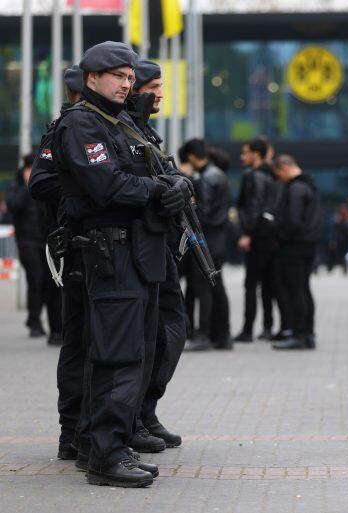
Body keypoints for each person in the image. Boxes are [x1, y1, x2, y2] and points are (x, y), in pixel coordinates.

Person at [52, 41, 189, 486]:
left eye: (130, 78)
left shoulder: (120, 122)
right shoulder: (82, 123)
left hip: (138, 251)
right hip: (110, 252)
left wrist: (174, 185)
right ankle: (106, 455)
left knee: (137, 351)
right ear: (92, 78)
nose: (126, 84)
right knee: (117, 354)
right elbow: (106, 186)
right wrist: (155, 192)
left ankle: (107, 443)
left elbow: (144, 175)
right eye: (118, 76)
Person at [127, 59, 187, 449]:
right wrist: (157, 189)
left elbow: (166, 174)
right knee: (135, 342)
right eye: (153, 87)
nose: (161, 94)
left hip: (157, 244)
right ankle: (124, 423)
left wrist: (179, 184)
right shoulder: (106, 128)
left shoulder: (146, 132)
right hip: (126, 248)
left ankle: (145, 411)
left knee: (170, 332)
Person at [28, 64, 84, 460]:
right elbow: (40, 183)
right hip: (78, 247)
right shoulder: (64, 128)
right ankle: (73, 432)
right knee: (78, 342)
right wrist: (89, 179)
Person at [235, 138, 289, 342]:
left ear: (256, 154)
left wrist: (247, 232)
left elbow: (253, 206)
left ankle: (248, 329)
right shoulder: (275, 175)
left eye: (245, 152)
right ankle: (280, 326)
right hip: (273, 233)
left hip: (258, 234)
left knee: (251, 283)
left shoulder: (253, 175)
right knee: (272, 282)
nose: (242, 157)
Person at [180, 138, 232, 351]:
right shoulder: (218, 174)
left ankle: (204, 335)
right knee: (216, 286)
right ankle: (222, 335)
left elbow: (203, 213)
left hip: (206, 240)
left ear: (192, 157)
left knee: (204, 287)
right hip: (217, 238)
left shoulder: (206, 179)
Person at [7, 153, 62, 341]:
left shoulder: (44, 186)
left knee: (49, 282)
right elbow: (13, 206)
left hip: (45, 239)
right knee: (36, 279)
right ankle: (34, 321)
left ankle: (48, 324)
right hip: (27, 240)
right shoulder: (17, 188)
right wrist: (27, 186)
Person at [271, 155, 324, 350]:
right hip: (308, 244)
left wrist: (278, 229)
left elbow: (293, 221)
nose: (279, 179)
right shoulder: (310, 186)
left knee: (296, 290)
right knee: (304, 288)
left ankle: (300, 334)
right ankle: (307, 333)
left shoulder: (295, 189)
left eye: (278, 174)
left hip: (294, 245)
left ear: (284, 168)